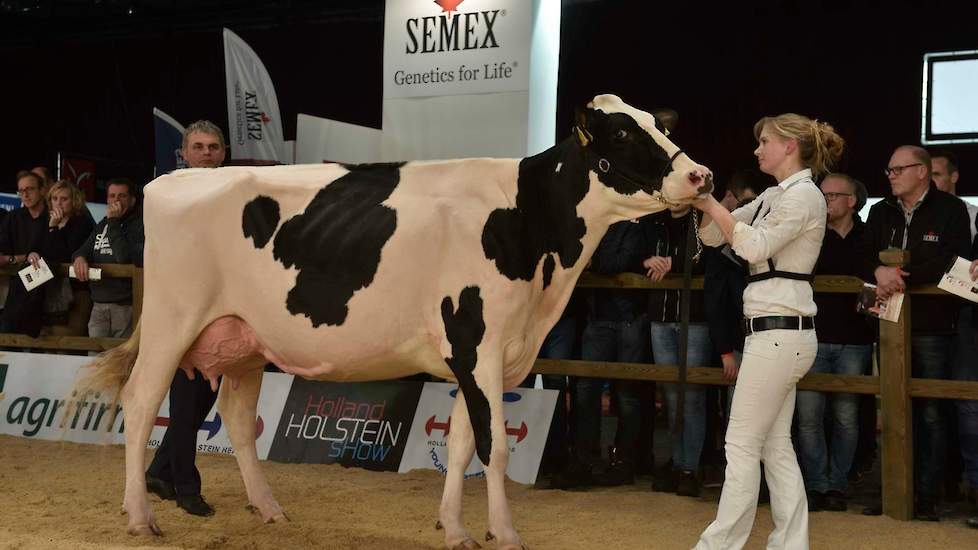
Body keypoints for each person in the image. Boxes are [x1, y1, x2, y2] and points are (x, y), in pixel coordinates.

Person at [692, 113, 844, 550]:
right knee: (775, 446)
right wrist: (704, 202)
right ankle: (790, 544)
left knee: (740, 442)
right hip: (776, 334)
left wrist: (714, 208)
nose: (757, 150)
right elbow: (713, 237)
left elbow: (754, 246)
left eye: (764, 142)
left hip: (779, 333)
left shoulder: (804, 198)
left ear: (790, 146)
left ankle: (718, 546)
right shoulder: (772, 197)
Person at [858, 145, 970, 520]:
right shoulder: (879, 210)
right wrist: (878, 271)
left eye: (898, 169)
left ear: (921, 171)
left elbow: (954, 259)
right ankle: (892, 490)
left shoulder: (951, 209)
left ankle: (926, 495)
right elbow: (863, 251)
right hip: (886, 322)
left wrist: (900, 277)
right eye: (888, 170)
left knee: (931, 412)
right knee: (891, 406)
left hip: (933, 325)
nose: (890, 175)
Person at [144, 120, 226, 517]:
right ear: (184, 152)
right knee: (186, 400)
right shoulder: (168, 195)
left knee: (201, 401)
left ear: (223, 153)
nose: (206, 153)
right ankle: (185, 486)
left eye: (213, 147)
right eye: (199, 146)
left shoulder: (232, 191)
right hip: (181, 313)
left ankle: (159, 471)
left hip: (224, 311)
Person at [555, 217, 655, 489]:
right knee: (586, 389)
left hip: (628, 318)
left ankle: (623, 462)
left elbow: (622, 260)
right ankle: (585, 460)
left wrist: (592, 262)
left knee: (627, 393)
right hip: (599, 316)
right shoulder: (599, 222)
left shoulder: (636, 223)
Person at [795, 173, 874, 512]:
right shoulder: (811, 234)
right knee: (809, 416)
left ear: (851, 201)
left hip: (855, 339)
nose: (823, 201)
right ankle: (816, 484)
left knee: (846, 416)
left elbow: (870, 271)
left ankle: (838, 485)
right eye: (821, 195)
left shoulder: (871, 236)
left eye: (830, 196)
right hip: (813, 334)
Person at [645, 206, 713, 498]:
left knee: (693, 396)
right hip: (660, 315)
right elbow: (636, 250)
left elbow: (707, 258)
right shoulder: (654, 220)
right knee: (671, 395)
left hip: (694, 317)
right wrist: (645, 259)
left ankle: (690, 467)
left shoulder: (703, 219)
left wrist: (674, 262)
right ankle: (678, 460)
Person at [72, 177, 144, 338]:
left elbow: (123, 256)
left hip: (126, 307)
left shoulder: (140, 224)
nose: (116, 200)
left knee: (121, 360)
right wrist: (80, 258)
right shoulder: (103, 223)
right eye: (112, 196)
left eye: (122, 196)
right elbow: (83, 249)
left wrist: (113, 221)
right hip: (98, 304)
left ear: (132, 200)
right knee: (95, 360)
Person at [26, 180, 96, 337]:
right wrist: (32, 253)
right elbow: (36, 246)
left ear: (74, 201)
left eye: (64, 199)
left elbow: (64, 254)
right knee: (45, 340)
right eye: (55, 199)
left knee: (67, 340)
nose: (59, 203)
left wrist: (53, 228)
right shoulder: (46, 220)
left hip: (76, 291)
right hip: (48, 291)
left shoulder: (82, 222)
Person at [0, 171, 51, 336]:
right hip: (20, 288)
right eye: (21, 191)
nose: (25, 194)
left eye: (30, 189)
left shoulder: (53, 216)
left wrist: (28, 258)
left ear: (42, 190)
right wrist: (23, 257)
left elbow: (55, 254)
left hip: (48, 284)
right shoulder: (12, 218)